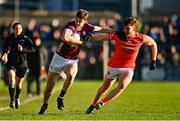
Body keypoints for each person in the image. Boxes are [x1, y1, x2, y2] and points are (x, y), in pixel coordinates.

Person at [38, 9, 115, 114]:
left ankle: (60, 97)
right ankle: (45, 104)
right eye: (77, 20)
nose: (78, 22)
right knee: (49, 88)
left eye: (80, 21)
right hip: (59, 58)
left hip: (72, 59)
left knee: (71, 76)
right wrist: (80, 42)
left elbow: (102, 29)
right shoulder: (71, 26)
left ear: (85, 21)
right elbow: (65, 37)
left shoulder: (87, 27)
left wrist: (117, 32)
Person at [85, 17, 158, 114]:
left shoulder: (141, 38)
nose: (125, 30)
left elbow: (153, 44)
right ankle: (93, 104)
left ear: (134, 28)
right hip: (114, 66)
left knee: (122, 85)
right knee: (104, 88)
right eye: (125, 28)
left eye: (128, 28)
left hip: (128, 68)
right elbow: (102, 37)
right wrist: (90, 37)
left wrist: (153, 60)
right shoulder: (119, 35)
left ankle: (102, 102)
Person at [1, 22, 35, 109]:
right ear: (13, 29)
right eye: (16, 28)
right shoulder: (10, 38)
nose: (18, 30)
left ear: (21, 29)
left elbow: (32, 49)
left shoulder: (25, 38)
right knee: (11, 76)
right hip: (11, 62)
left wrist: (23, 49)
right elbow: (5, 47)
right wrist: (4, 54)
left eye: (20, 28)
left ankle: (16, 98)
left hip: (22, 63)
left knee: (19, 83)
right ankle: (12, 100)